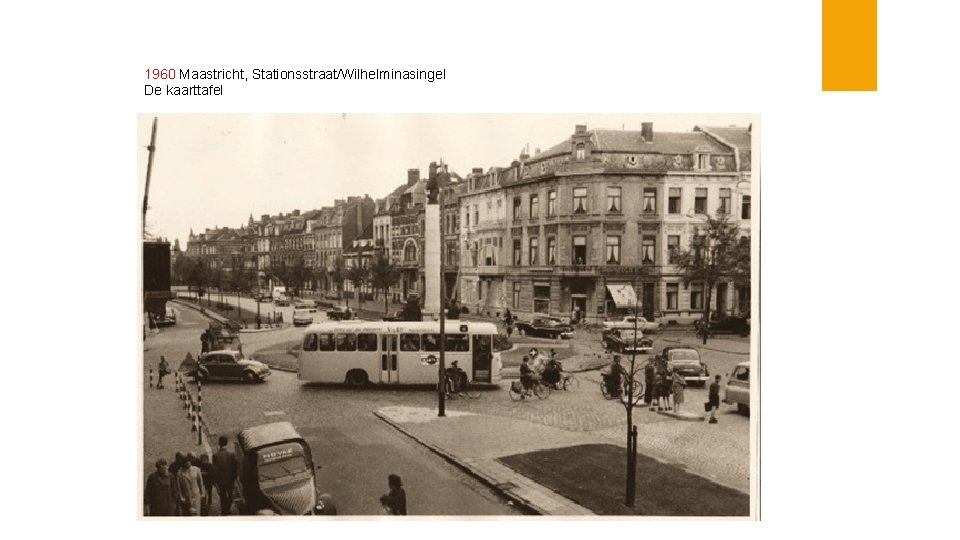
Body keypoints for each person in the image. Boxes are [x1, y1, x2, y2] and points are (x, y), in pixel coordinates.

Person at [212, 435, 239, 516]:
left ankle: (225, 511)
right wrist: (234, 477)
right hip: (230, 479)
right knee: (230, 495)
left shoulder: (216, 456)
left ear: (219, 443)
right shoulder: (232, 454)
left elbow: (215, 470)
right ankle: (227, 509)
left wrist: (215, 481)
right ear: (226, 443)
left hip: (221, 481)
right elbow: (235, 467)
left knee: (223, 496)